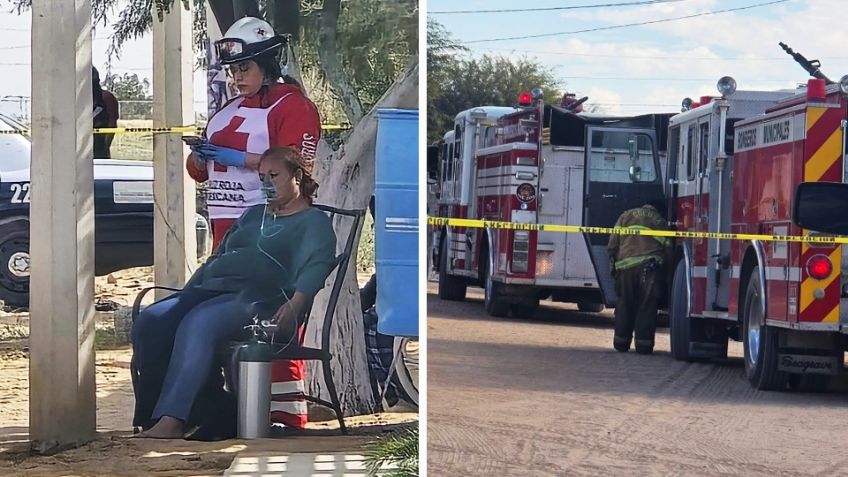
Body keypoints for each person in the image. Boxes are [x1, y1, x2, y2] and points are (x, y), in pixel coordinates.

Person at [132, 146, 336, 439]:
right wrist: (185, 297)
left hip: (260, 301)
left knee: (199, 322)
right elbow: (217, 258)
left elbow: (318, 265)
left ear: (297, 176)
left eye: (274, 175)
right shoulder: (253, 215)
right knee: (152, 320)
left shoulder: (312, 222)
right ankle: (174, 414)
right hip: (212, 290)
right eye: (262, 176)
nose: (267, 183)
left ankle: (173, 419)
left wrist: (296, 304)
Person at [187, 16, 321, 252]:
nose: (237, 76)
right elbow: (198, 174)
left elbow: (299, 170)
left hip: (269, 232)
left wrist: (241, 159)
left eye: (245, 67)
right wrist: (199, 158)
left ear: (267, 65)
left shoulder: (295, 107)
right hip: (222, 233)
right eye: (233, 69)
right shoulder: (226, 111)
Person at [607, 203, 671, 354]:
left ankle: (621, 343)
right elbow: (668, 249)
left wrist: (613, 262)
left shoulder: (625, 216)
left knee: (624, 304)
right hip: (650, 269)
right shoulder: (660, 221)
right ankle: (644, 345)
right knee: (647, 306)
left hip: (625, 267)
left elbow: (612, 244)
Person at [92, 66, 120, 158]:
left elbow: (112, 125)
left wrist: (105, 148)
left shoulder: (107, 98)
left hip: (99, 147)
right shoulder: (75, 100)